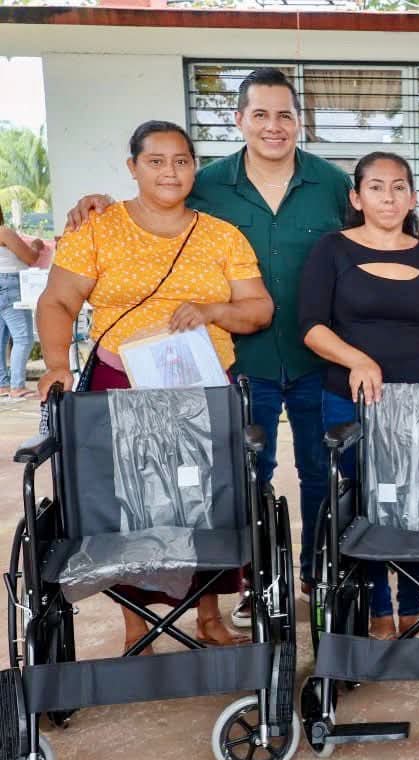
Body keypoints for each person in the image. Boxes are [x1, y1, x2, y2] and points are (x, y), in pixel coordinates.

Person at [66, 69, 353, 625]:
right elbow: (154, 205)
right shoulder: (207, 183)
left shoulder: (333, 184)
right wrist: (95, 202)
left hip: (319, 356)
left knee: (323, 472)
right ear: (240, 119)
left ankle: (321, 580)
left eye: (285, 115)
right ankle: (254, 586)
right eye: (261, 114)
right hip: (242, 361)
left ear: (300, 122)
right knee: (246, 476)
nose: (274, 126)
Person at [37, 121, 274, 652]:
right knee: (126, 503)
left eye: (181, 161)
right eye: (156, 161)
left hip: (202, 386)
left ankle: (209, 617)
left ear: (195, 167)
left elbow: (259, 309)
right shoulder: (98, 227)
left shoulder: (220, 234)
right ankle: (135, 624)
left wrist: (213, 310)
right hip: (121, 383)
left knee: (205, 502)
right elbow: (57, 301)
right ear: (133, 167)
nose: (170, 171)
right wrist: (55, 363)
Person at [299, 151, 419, 639]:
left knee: (414, 506)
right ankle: (376, 612)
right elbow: (310, 327)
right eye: (376, 186)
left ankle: (411, 611)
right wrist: (358, 359)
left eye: (398, 187)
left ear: (412, 197)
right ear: (356, 196)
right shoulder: (333, 250)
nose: (388, 196)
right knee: (366, 506)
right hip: (351, 400)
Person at [0, 204, 44, 399]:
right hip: (10, 284)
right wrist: (36, 245)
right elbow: (30, 257)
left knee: (0, 339)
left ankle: (2, 384)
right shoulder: (4, 232)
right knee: (23, 337)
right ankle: (17, 386)